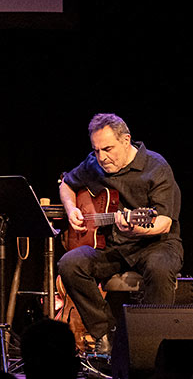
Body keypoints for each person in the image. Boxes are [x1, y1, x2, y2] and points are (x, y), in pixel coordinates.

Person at [56, 113, 182, 355]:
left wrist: (134, 227)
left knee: (160, 268)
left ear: (126, 140)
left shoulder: (156, 167)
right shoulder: (93, 162)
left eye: (108, 149)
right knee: (70, 264)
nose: (102, 157)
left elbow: (164, 222)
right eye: (97, 150)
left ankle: (152, 346)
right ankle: (105, 336)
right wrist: (72, 209)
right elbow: (67, 184)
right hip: (113, 245)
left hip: (155, 243)